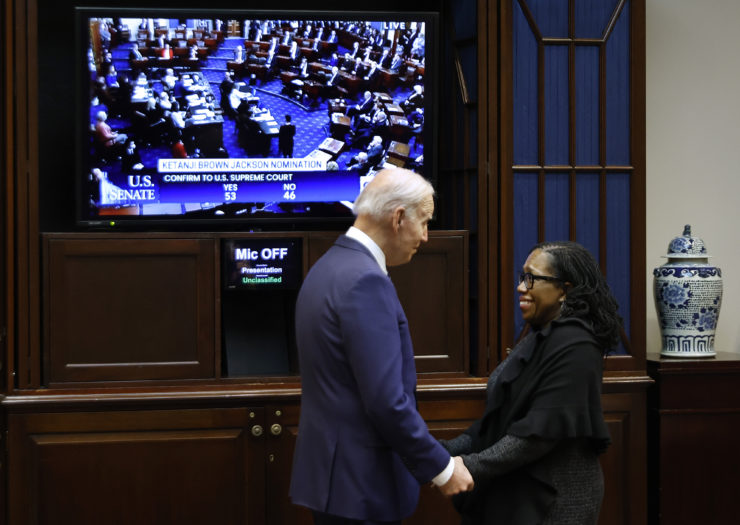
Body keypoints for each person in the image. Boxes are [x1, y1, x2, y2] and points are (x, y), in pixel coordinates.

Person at [290, 168, 475, 524]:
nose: (425, 236)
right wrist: (443, 468)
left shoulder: (328, 266)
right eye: (424, 222)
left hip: (335, 481)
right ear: (399, 217)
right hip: (361, 485)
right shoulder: (365, 281)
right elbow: (387, 402)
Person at [441, 240, 618, 525]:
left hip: (554, 500)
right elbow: (495, 423)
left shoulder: (578, 346)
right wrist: (442, 452)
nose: (521, 287)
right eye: (523, 277)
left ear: (565, 289)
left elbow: (536, 436)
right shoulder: (539, 336)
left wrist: (468, 466)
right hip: (517, 489)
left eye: (532, 278)